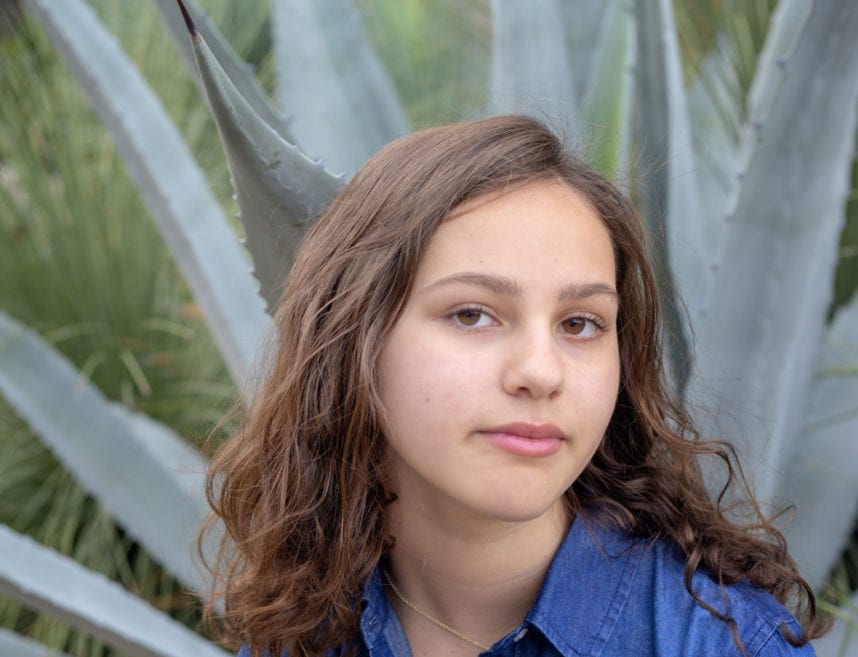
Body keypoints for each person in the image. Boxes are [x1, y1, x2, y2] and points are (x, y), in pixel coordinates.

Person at [201, 115, 826, 656]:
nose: (540, 371)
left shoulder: (719, 643)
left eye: (579, 324)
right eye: (472, 314)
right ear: (353, 339)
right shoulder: (301, 632)